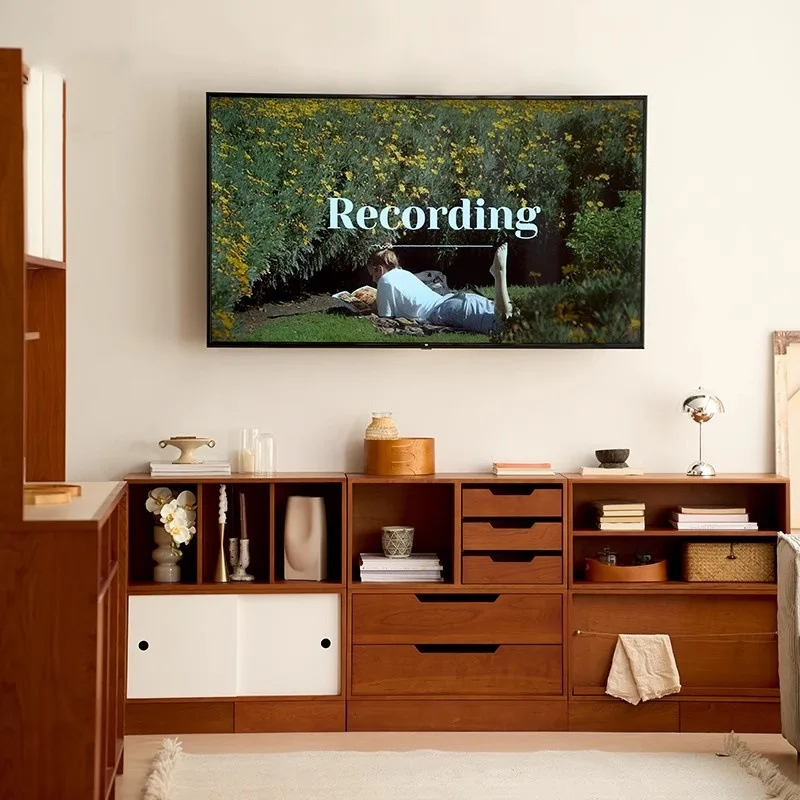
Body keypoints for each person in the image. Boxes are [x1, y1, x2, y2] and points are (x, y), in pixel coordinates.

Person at [366, 243, 512, 335]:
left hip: (445, 310)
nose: (373, 280)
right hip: (456, 301)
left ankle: (499, 274)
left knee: (503, 327)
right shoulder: (404, 273)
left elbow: (385, 317)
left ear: (380, 269)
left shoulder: (385, 280)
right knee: (512, 319)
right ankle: (499, 276)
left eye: (373, 275)